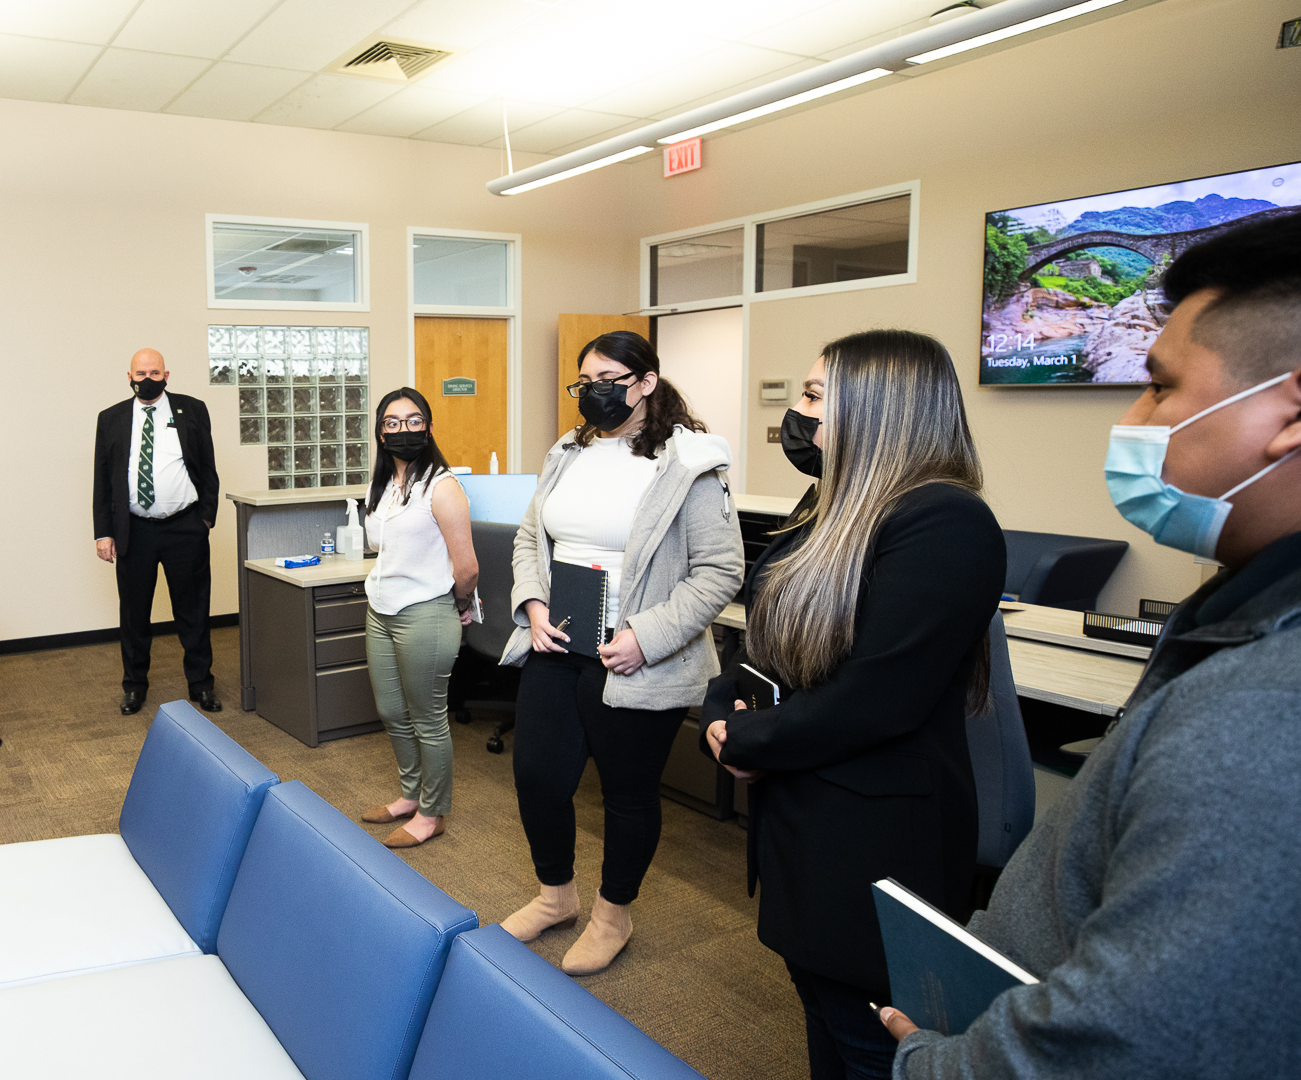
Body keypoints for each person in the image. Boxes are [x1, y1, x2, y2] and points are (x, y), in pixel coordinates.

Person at [877, 215, 1301, 1077]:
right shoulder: (1245, 615)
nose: (1136, 416)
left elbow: (1134, 1037)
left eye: (1159, 385)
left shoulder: (1265, 710)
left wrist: (933, 1066)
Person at [698, 329, 1004, 1080]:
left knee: (869, 1041)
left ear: (880, 410)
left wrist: (747, 741)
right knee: (825, 1019)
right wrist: (722, 703)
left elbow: (875, 701)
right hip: (807, 821)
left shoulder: (945, 522)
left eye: (812, 399)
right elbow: (765, 635)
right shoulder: (829, 506)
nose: (796, 419)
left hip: (873, 848)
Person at [499, 330, 744, 975]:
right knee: (538, 777)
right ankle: (556, 896)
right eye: (586, 381)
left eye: (610, 378)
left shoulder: (691, 464)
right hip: (559, 640)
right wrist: (533, 603)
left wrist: (648, 637)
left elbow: (720, 571)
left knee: (627, 794)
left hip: (637, 654)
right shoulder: (568, 451)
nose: (595, 392)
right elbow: (531, 538)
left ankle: (613, 914)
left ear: (646, 382)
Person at [357, 389, 478, 850]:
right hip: (381, 608)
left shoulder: (442, 486)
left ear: (428, 427)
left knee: (428, 718)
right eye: (392, 422)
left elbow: (466, 566)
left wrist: (460, 603)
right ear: (381, 431)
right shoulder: (385, 483)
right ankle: (411, 794)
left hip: (425, 611)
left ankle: (433, 812)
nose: (402, 430)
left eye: (413, 421)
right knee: (392, 711)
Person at [93, 348, 220, 715]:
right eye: (140, 373)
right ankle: (134, 686)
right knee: (134, 614)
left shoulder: (191, 410)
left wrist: (205, 518)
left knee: (193, 610)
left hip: (185, 527)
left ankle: (201, 684)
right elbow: (103, 479)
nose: (146, 379)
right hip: (134, 531)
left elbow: (207, 467)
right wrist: (104, 532)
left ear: (167, 375)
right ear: (129, 377)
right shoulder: (111, 418)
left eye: (153, 372)